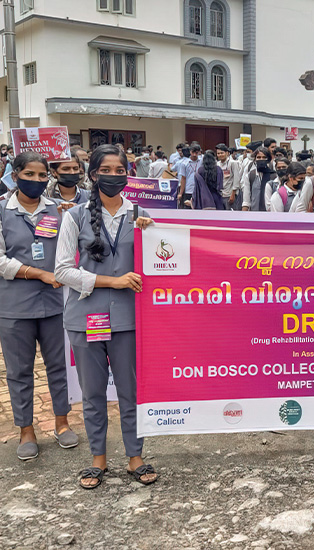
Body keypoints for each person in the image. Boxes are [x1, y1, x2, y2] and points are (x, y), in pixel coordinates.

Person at [56, 144, 156, 488]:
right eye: (106, 170)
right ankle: (98, 458)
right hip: (85, 319)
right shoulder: (75, 216)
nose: (114, 176)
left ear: (128, 174)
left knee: (130, 391)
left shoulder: (141, 214)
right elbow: (62, 271)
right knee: (93, 393)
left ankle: (135, 456)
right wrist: (112, 281)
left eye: (120, 170)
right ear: (93, 174)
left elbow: (162, 262)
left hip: (129, 320)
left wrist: (151, 234)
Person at [0, 152, 79, 461]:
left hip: (54, 303)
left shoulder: (58, 210)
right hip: (14, 306)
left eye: (42, 175)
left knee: (58, 365)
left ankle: (62, 422)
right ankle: (26, 430)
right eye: (29, 174)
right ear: (15, 175)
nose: (36, 180)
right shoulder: (2, 211)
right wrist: (39, 273)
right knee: (20, 371)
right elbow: (1, 261)